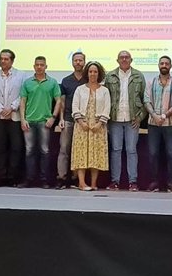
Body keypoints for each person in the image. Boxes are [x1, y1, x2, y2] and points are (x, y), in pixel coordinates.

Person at [104, 50, 146, 191]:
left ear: (131, 59)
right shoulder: (110, 76)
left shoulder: (138, 76)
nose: (124, 59)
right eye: (121, 57)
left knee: (131, 150)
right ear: (117, 60)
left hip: (132, 119)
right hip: (115, 119)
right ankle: (114, 181)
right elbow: (105, 97)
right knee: (116, 150)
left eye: (126, 57)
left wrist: (140, 117)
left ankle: (132, 182)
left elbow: (145, 99)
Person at [19, 56, 62, 188]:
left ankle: (44, 179)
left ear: (46, 67)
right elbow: (22, 102)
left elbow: (59, 101)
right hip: (29, 121)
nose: (39, 67)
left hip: (45, 121)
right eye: (37, 64)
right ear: (34, 66)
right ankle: (29, 179)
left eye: (41, 65)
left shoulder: (53, 82)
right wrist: (22, 119)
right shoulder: (27, 82)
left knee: (45, 151)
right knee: (29, 151)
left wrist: (53, 117)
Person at [0, 48, 25, 187]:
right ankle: (1, 177)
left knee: (16, 148)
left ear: (12, 61)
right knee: (0, 148)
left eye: (6, 59)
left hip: (14, 116)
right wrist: (1, 109)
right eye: (1, 58)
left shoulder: (21, 75)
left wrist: (12, 107)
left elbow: (23, 94)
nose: (3, 61)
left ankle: (13, 178)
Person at [144, 55, 172, 192]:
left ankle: (171, 183)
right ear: (158, 65)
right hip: (153, 124)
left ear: (170, 66)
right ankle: (154, 182)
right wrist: (155, 116)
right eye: (162, 63)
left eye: (167, 63)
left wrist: (164, 116)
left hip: (170, 123)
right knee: (153, 153)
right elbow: (146, 101)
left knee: (171, 153)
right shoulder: (151, 82)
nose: (164, 65)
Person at [71, 61, 110, 191]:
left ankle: (93, 183)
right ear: (86, 73)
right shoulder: (79, 89)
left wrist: (99, 123)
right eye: (90, 71)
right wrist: (81, 122)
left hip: (98, 126)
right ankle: (82, 183)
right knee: (81, 153)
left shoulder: (104, 90)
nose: (92, 74)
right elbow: (74, 107)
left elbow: (107, 108)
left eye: (95, 72)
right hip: (82, 126)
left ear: (99, 74)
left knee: (95, 154)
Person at [56, 51, 87, 188]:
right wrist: (61, 118)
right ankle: (61, 178)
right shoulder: (66, 80)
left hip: (84, 121)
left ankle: (76, 179)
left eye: (80, 60)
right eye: (76, 60)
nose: (78, 63)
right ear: (72, 62)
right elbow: (62, 101)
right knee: (64, 149)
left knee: (79, 150)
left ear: (84, 62)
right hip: (68, 119)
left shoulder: (89, 79)